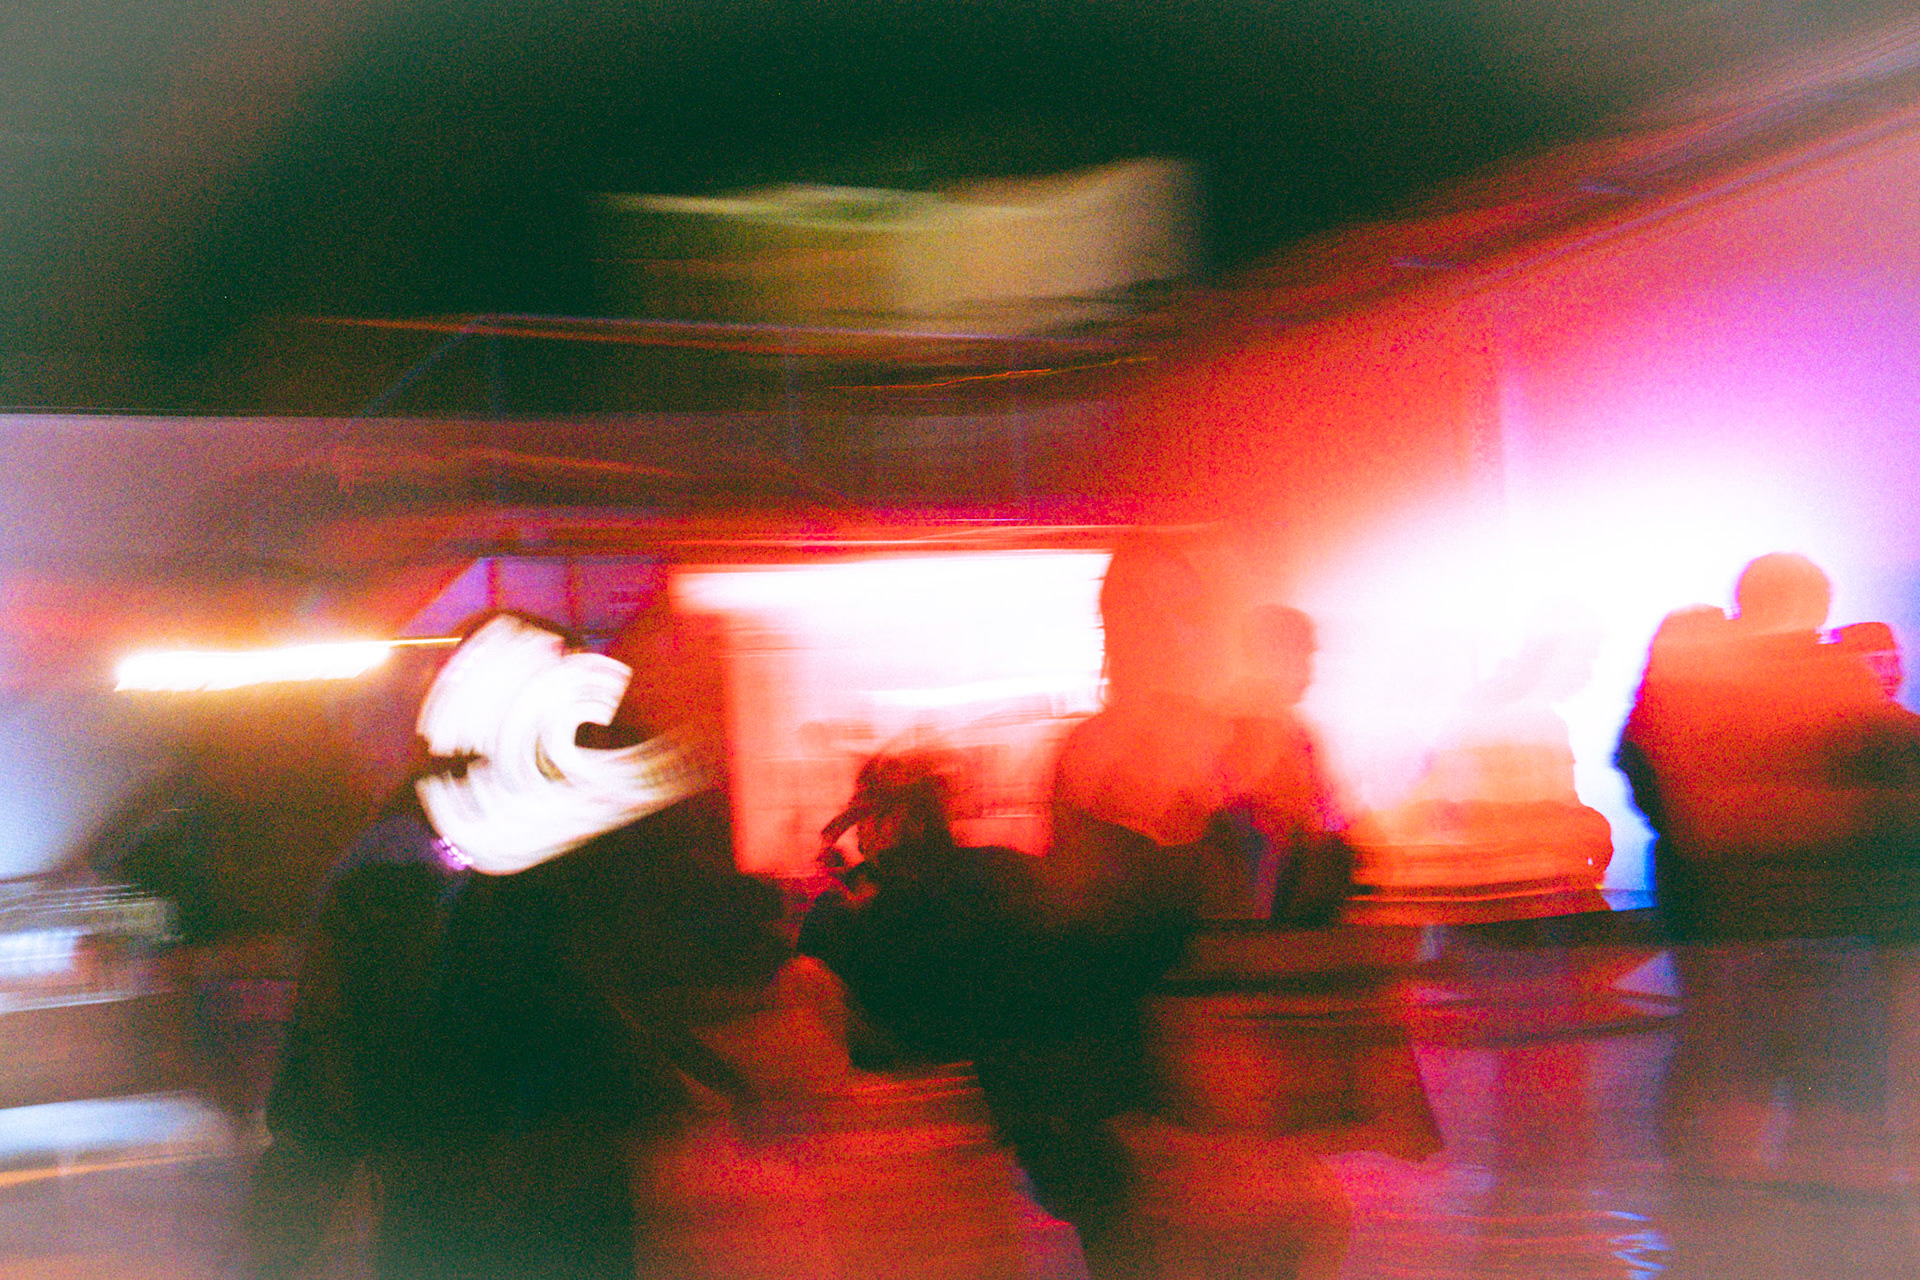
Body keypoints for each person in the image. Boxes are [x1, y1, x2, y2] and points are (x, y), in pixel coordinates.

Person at [245, 615, 785, 1279]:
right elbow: (664, 965)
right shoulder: (566, 851)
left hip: (451, 1196)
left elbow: (329, 1060)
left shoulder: (397, 857)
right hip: (553, 1187)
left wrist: (288, 1223)